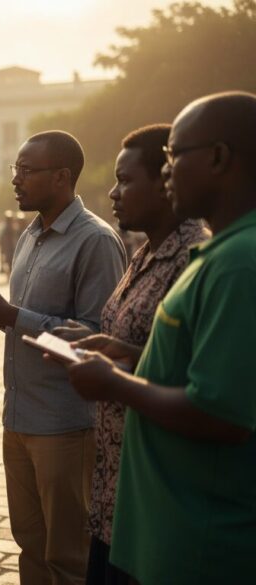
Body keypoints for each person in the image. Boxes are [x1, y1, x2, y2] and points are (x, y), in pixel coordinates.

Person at [63, 92, 256, 584]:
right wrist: (131, 356)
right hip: (155, 521)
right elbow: (194, 365)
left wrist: (115, 383)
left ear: (218, 157)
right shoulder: (221, 253)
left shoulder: (239, 263)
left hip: (198, 539)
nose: (168, 170)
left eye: (174, 155)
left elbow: (221, 414)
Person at [0, 131, 126, 585]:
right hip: (19, 417)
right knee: (29, 544)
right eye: (16, 169)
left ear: (62, 177)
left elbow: (98, 339)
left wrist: (12, 316)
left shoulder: (95, 241)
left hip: (65, 424)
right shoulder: (30, 234)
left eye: (27, 170)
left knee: (68, 556)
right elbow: (28, 320)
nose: (16, 179)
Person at [49, 124, 208, 585]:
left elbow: (202, 379)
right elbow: (150, 347)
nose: (113, 193)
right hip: (114, 481)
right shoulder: (143, 253)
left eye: (125, 180)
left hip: (160, 482)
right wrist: (106, 345)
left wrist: (117, 374)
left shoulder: (197, 257)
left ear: (166, 181)